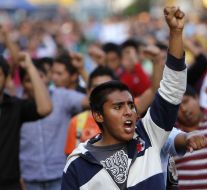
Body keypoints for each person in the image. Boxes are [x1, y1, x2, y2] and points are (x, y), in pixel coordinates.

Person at [61, 6, 188, 190]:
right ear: (98, 115)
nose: (128, 111)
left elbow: (171, 90)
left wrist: (176, 33)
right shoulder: (77, 164)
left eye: (130, 105)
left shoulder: (150, 136)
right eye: (118, 107)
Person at [19, 55, 85, 190]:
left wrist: (82, 69)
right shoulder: (16, 106)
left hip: (60, 175)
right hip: (30, 179)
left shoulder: (62, 96)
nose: (35, 84)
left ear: (47, 78)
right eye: (28, 80)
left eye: (40, 77)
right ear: (23, 84)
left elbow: (94, 99)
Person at [0, 53, 52, 190]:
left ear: (6, 78)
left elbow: (45, 108)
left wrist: (30, 67)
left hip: (9, 184)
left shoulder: (14, 106)